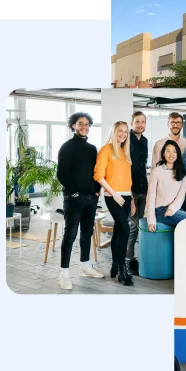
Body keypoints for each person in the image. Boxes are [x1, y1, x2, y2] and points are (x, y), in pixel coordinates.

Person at [56, 112, 104, 290]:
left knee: (87, 233)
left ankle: (85, 266)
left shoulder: (92, 148)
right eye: (80, 124)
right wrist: (75, 193)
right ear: (73, 126)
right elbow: (61, 174)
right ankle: (64, 274)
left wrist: (97, 190)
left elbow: (95, 171)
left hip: (91, 198)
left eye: (87, 124)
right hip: (73, 198)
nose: (84, 127)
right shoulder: (67, 147)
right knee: (70, 234)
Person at [94, 121, 134, 286]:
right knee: (125, 230)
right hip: (113, 197)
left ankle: (114, 266)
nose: (123, 134)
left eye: (125, 131)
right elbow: (99, 176)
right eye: (120, 131)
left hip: (127, 196)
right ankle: (122, 269)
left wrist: (130, 201)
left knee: (118, 231)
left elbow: (126, 179)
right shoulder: (106, 150)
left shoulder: (125, 152)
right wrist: (113, 193)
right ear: (114, 131)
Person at [146, 140, 186, 231]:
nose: (171, 154)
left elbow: (181, 195)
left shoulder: (182, 172)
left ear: (178, 154)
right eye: (168, 151)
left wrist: (172, 209)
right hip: (160, 210)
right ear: (163, 154)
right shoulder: (156, 171)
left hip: (176, 208)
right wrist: (151, 220)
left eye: (174, 151)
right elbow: (151, 196)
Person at [126, 111, 147, 276]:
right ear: (132, 123)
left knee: (138, 226)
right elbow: (126, 168)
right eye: (137, 122)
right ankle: (128, 261)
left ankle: (133, 258)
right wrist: (130, 195)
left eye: (143, 122)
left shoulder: (145, 141)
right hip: (130, 190)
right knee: (132, 227)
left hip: (143, 189)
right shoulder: (126, 140)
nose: (140, 125)